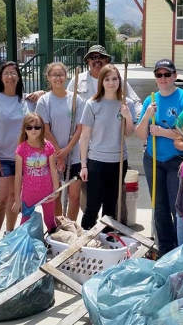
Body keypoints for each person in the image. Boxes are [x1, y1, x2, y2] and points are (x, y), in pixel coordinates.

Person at [135, 58, 183, 257]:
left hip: (177, 160)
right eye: (159, 75)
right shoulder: (150, 100)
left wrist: (162, 132)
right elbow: (142, 134)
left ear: (175, 76)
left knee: (176, 206)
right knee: (159, 206)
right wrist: (146, 116)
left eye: (167, 74)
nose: (163, 78)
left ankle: (180, 249)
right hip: (153, 159)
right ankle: (165, 249)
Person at [79, 64, 136, 230]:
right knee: (92, 206)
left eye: (115, 78)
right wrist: (83, 164)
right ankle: (85, 239)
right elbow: (85, 136)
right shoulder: (92, 104)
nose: (112, 83)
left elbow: (128, 133)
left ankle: (107, 238)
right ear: (101, 82)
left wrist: (128, 116)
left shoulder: (127, 103)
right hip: (97, 161)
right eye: (107, 79)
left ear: (120, 80)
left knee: (111, 206)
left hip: (118, 160)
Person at [0, 62, 34, 238]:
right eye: (6, 73)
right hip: (0, 158)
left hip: (20, 158)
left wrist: (41, 93)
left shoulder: (25, 101)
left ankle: (9, 234)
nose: (10, 76)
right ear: (1, 77)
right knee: (1, 199)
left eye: (14, 73)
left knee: (14, 198)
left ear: (19, 77)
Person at [35, 63, 84, 221]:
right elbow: (45, 129)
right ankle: (58, 228)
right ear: (48, 77)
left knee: (74, 196)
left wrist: (68, 149)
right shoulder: (44, 101)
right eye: (54, 75)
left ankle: (71, 227)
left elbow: (80, 127)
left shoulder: (76, 99)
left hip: (74, 154)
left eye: (61, 74)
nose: (58, 78)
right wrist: (59, 154)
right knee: (56, 194)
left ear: (66, 75)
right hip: (52, 155)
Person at [13, 113, 60, 232]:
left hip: (47, 190)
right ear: (24, 129)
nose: (33, 130)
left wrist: (56, 189)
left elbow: (53, 169)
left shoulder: (48, 146)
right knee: (25, 220)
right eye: (29, 127)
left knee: (50, 220)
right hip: (29, 192)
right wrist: (17, 200)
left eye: (37, 127)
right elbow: (18, 176)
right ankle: (23, 247)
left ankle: (53, 244)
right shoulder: (21, 149)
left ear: (42, 128)